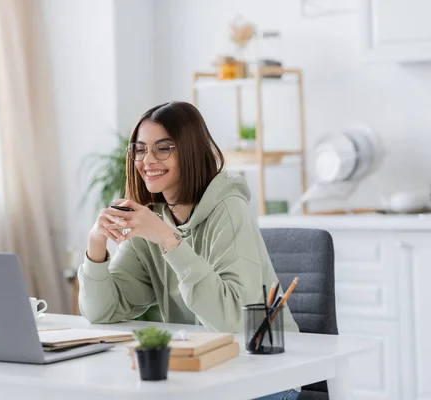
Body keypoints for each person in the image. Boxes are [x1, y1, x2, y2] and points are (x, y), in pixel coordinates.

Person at [78, 101, 299, 399]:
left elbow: (231, 322)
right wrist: (96, 244)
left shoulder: (229, 209)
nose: (148, 160)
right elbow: (101, 312)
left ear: (190, 151)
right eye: (140, 149)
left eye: (163, 148)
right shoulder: (151, 219)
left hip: (265, 376)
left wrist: (170, 241)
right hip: (199, 376)